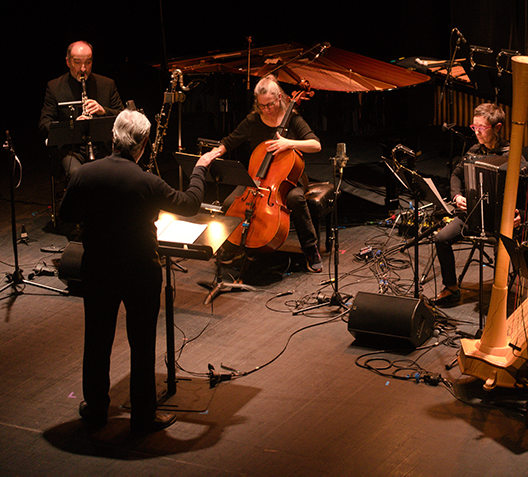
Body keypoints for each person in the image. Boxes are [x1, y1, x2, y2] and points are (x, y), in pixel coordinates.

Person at [58, 110, 215, 434]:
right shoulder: (146, 181)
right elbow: (189, 204)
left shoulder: (85, 173)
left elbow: (66, 215)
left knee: (97, 339)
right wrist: (198, 169)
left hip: (98, 266)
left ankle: (97, 408)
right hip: (139, 269)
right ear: (143, 143)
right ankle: (143, 416)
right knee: (141, 343)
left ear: (113, 137)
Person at [199, 75, 324, 272]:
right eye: (261, 105)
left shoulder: (293, 119)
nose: (266, 109)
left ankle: (310, 248)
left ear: (280, 99)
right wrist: (212, 155)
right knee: (230, 203)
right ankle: (233, 245)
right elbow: (230, 141)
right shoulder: (253, 121)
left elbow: (316, 145)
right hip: (257, 176)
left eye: (270, 105)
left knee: (296, 199)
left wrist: (288, 143)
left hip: (289, 179)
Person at [432, 103, 528, 306]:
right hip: (473, 214)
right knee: (441, 239)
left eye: (482, 128)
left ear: (497, 127)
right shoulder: (474, 151)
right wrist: (456, 196)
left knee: (502, 251)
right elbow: (456, 174)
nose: (477, 133)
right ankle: (452, 288)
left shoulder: (512, 156)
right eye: (474, 127)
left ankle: (501, 297)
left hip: (501, 221)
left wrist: (522, 215)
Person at [39, 40, 125, 180]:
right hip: (71, 150)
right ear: (68, 62)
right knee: (78, 174)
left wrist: (104, 111)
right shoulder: (54, 87)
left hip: (103, 148)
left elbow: (124, 117)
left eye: (88, 62)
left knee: (114, 173)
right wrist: (73, 126)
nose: (83, 69)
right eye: (77, 62)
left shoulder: (107, 84)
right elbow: (44, 124)